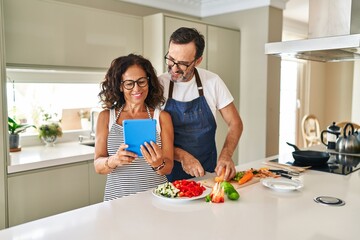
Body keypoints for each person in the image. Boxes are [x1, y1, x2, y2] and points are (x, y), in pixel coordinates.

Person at [158, 27, 243, 182]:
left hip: (206, 173)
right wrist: (183, 156)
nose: (174, 68)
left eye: (183, 63)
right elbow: (153, 137)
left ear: (198, 61)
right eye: (170, 59)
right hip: (167, 176)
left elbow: (235, 123)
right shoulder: (158, 85)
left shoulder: (212, 82)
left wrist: (226, 155)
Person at [94, 54, 174, 201]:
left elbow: (168, 167)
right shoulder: (106, 117)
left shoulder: (162, 117)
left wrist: (158, 164)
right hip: (117, 200)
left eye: (141, 81)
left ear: (149, 82)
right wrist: (114, 160)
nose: (137, 88)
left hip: (156, 199)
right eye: (129, 83)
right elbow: (98, 165)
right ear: (120, 85)